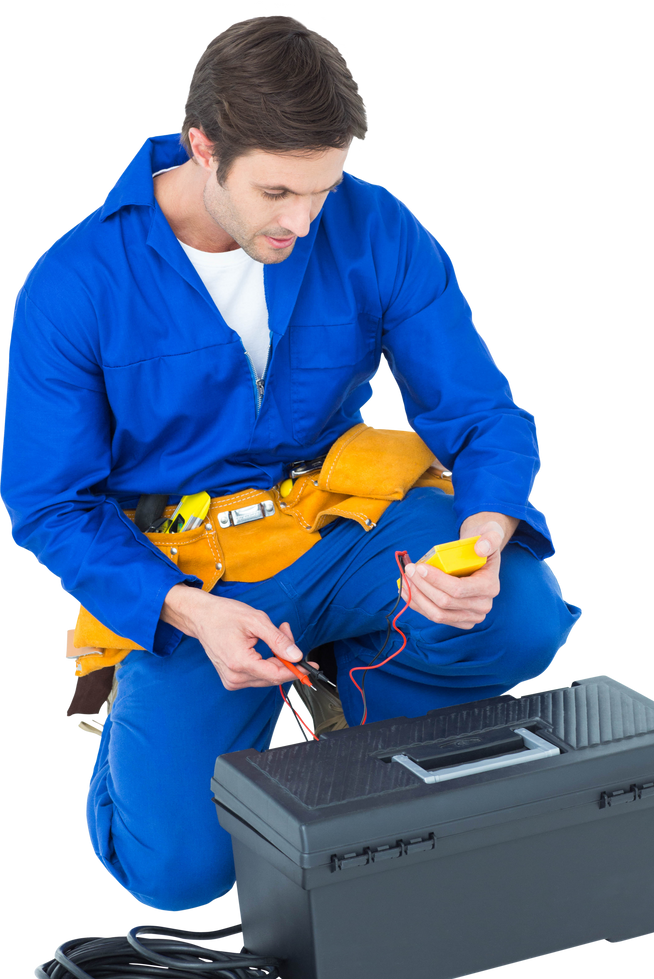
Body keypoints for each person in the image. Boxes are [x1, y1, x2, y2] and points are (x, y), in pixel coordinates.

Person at [1, 14, 583, 913]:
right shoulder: (74, 282)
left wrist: (485, 532)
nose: (304, 221)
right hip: (188, 575)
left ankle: (356, 701)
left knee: (517, 616)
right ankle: (144, 727)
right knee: (180, 875)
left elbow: (476, 411)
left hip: (337, 523)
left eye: (322, 187)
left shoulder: (375, 224)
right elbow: (49, 507)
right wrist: (190, 618)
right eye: (277, 192)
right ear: (203, 148)